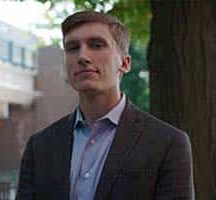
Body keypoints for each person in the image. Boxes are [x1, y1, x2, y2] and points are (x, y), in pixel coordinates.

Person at [16, 11, 194, 200]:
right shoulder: (40, 146)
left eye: (96, 45)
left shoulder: (168, 143)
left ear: (124, 63)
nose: (82, 56)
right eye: (73, 48)